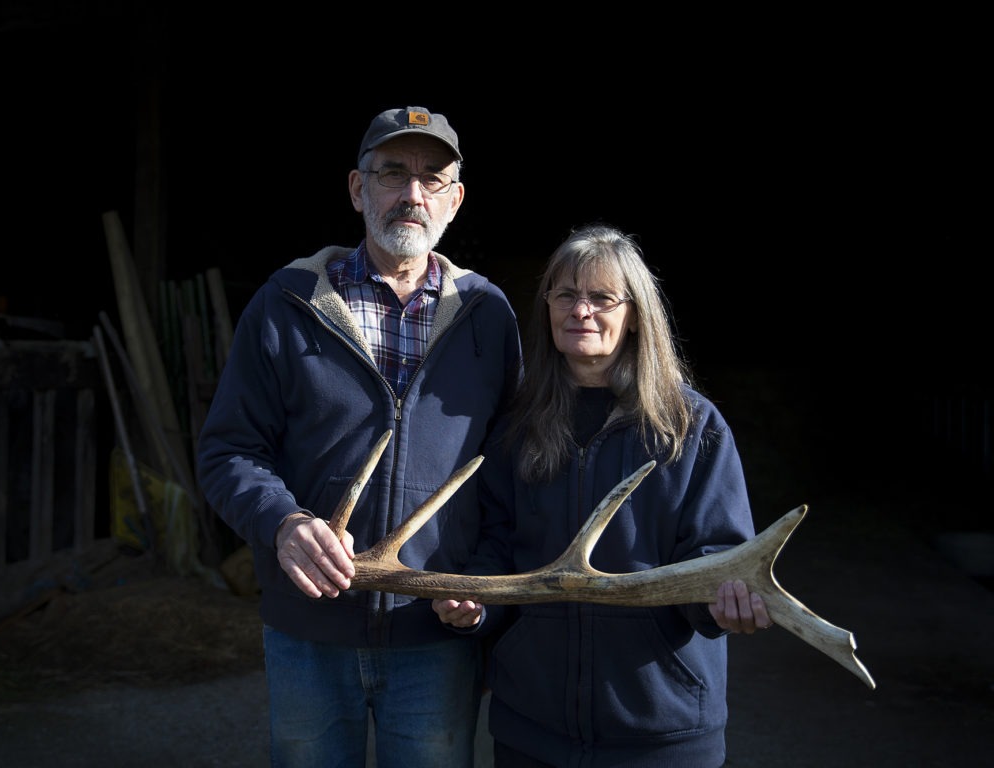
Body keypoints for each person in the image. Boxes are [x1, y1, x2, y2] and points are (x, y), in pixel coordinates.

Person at [197, 105, 522, 768]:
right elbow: (228, 451)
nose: (411, 194)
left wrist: (483, 582)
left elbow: (514, 476)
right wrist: (284, 523)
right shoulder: (287, 304)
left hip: (435, 638)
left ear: (455, 201)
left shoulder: (489, 317)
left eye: (433, 179)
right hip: (309, 634)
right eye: (392, 173)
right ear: (356, 188)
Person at [433, 224, 773, 767]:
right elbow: (496, 546)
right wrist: (475, 608)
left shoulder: (691, 426)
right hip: (534, 725)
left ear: (635, 313)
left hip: (660, 729)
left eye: (601, 297)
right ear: (547, 308)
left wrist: (722, 602)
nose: (580, 311)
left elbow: (719, 555)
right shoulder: (516, 426)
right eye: (565, 295)